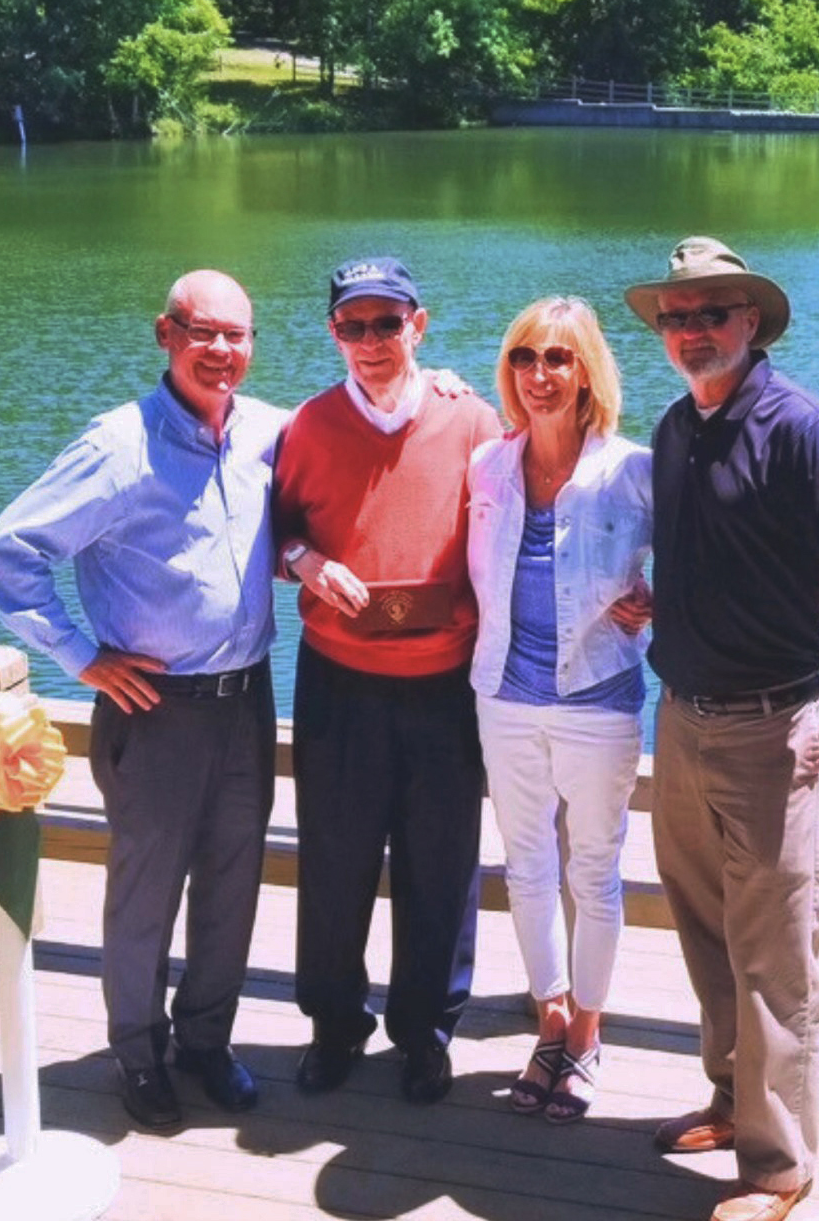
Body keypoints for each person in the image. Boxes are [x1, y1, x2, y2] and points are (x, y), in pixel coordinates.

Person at [624, 237, 819, 1221]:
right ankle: (734, 1100)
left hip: (779, 731)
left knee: (775, 953)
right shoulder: (673, 429)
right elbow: (718, 551)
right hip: (684, 723)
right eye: (677, 317)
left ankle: (778, 1170)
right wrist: (660, 604)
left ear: (751, 323)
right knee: (705, 932)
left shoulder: (805, 427)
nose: (693, 330)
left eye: (712, 314)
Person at [0, 270, 284, 1130]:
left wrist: (436, 383)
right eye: (203, 332)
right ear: (165, 333)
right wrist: (79, 654)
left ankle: (206, 1041)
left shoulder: (266, 429)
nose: (221, 351)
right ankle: (139, 1052)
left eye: (238, 334)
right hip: (154, 710)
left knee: (233, 880)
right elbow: (9, 551)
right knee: (146, 891)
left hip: (247, 697)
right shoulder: (119, 445)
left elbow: (353, 435)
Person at [272, 256, 501, 1103]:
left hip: (447, 684)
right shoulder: (307, 425)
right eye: (353, 325)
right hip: (340, 681)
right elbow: (277, 532)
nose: (371, 342)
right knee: (334, 860)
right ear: (333, 332)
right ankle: (335, 1024)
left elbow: (526, 520)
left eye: (387, 323)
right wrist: (308, 561)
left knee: (440, 866)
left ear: (420, 325)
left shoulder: (473, 419)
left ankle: (426, 1032)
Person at [466, 297, 651, 1124]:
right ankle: (548, 1016)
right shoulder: (487, 468)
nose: (538, 375)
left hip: (598, 699)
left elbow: (698, 553)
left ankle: (586, 1031)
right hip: (503, 693)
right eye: (523, 358)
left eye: (557, 359)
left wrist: (660, 597)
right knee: (526, 864)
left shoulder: (634, 471)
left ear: (588, 372)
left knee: (593, 872)